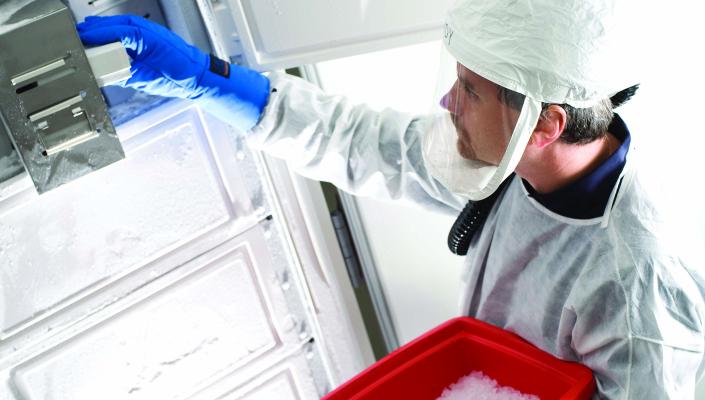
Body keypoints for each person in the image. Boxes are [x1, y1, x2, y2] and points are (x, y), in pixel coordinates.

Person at [77, 0, 705, 398]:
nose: (446, 104)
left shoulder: (635, 281)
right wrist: (204, 77)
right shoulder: (518, 164)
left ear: (543, 125)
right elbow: (368, 145)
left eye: (469, 90)